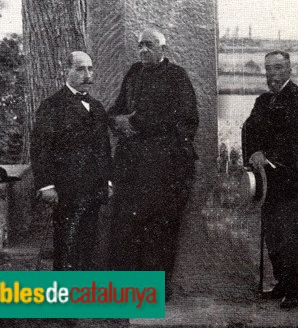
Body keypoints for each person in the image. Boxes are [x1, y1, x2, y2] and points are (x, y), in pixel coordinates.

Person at [109, 28, 199, 298]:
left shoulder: (176, 77)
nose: (143, 50)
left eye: (149, 45)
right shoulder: (134, 73)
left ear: (163, 49)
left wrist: (134, 122)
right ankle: (128, 292)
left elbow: (184, 120)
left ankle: (156, 290)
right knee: (128, 226)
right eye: (140, 46)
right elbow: (116, 109)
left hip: (164, 168)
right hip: (132, 167)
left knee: (160, 229)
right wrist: (116, 121)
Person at [242, 51, 298, 309]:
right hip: (266, 181)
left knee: (289, 236)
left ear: (289, 70)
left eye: (278, 68)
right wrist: (252, 154)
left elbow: (294, 137)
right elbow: (248, 128)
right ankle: (281, 283)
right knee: (272, 234)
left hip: (291, 180)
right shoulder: (262, 101)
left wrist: (267, 153)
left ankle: (294, 291)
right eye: (268, 69)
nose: (272, 74)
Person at [30, 51, 111, 270]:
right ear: (65, 71)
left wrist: (107, 182)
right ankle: (65, 297)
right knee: (66, 246)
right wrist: (46, 186)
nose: (87, 74)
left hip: (93, 189)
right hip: (66, 190)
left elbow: (103, 148)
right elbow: (40, 149)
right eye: (80, 69)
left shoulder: (97, 107)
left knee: (88, 245)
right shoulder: (51, 106)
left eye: (90, 69)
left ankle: (82, 296)